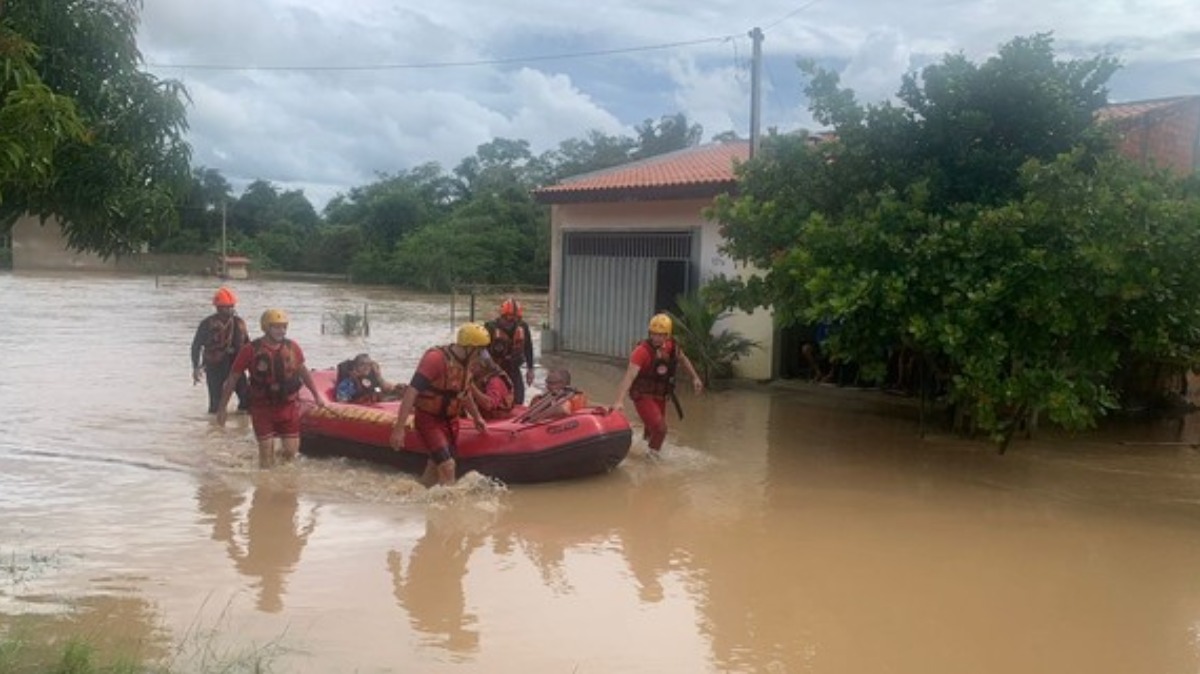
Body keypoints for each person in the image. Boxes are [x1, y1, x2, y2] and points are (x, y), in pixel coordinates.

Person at [216, 308, 327, 468]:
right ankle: (265, 486)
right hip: (262, 408)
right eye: (276, 327)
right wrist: (222, 408)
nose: (281, 331)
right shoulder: (250, 350)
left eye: (283, 327)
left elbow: (303, 372)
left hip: (287, 406)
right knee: (266, 456)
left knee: (290, 452)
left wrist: (317, 395)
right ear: (266, 327)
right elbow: (232, 378)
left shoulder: (292, 347)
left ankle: (281, 481)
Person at [389, 323, 491, 487]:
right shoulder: (435, 359)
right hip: (429, 419)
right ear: (469, 348)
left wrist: (477, 417)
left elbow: (464, 392)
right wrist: (399, 428)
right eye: (479, 351)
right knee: (448, 466)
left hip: (451, 421)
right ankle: (448, 510)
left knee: (434, 468)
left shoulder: (467, 363)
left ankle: (417, 498)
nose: (481, 355)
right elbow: (411, 392)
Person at [612, 313, 703, 454]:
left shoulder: (673, 347)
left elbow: (683, 360)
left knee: (651, 429)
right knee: (661, 429)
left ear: (668, 335)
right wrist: (619, 401)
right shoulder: (641, 351)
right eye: (654, 334)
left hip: (660, 395)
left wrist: (695, 378)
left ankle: (642, 449)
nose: (657, 338)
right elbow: (629, 376)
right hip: (642, 394)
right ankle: (652, 459)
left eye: (661, 335)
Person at [191, 286, 250, 414]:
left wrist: (252, 370)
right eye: (225, 306)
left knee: (246, 401)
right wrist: (196, 368)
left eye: (230, 306)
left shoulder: (239, 323)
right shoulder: (206, 324)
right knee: (215, 404)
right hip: (214, 367)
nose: (229, 309)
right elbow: (196, 346)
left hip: (236, 367)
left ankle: (241, 426)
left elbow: (248, 347)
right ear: (217, 307)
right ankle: (215, 430)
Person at [484, 298, 536, 405]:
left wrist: (530, 369)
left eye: (514, 320)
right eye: (508, 320)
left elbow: (528, 347)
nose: (510, 323)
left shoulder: (523, 327)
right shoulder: (490, 328)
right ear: (502, 317)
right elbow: (481, 351)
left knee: (518, 399)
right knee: (495, 398)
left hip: (513, 368)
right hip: (494, 370)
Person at [335, 353, 404, 403]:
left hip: (373, 403)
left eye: (368, 364)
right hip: (357, 406)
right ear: (355, 368)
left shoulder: (373, 380)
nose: (366, 367)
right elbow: (342, 400)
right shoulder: (349, 383)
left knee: (401, 389)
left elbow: (378, 389)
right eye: (362, 364)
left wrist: (378, 377)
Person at [467, 351, 515, 420]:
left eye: (473, 364)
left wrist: (470, 385)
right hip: (486, 419)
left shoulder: (495, 381)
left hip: (498, 422)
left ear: (482, 365)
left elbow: (489, 404)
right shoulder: (479, 378)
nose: (470, 367)